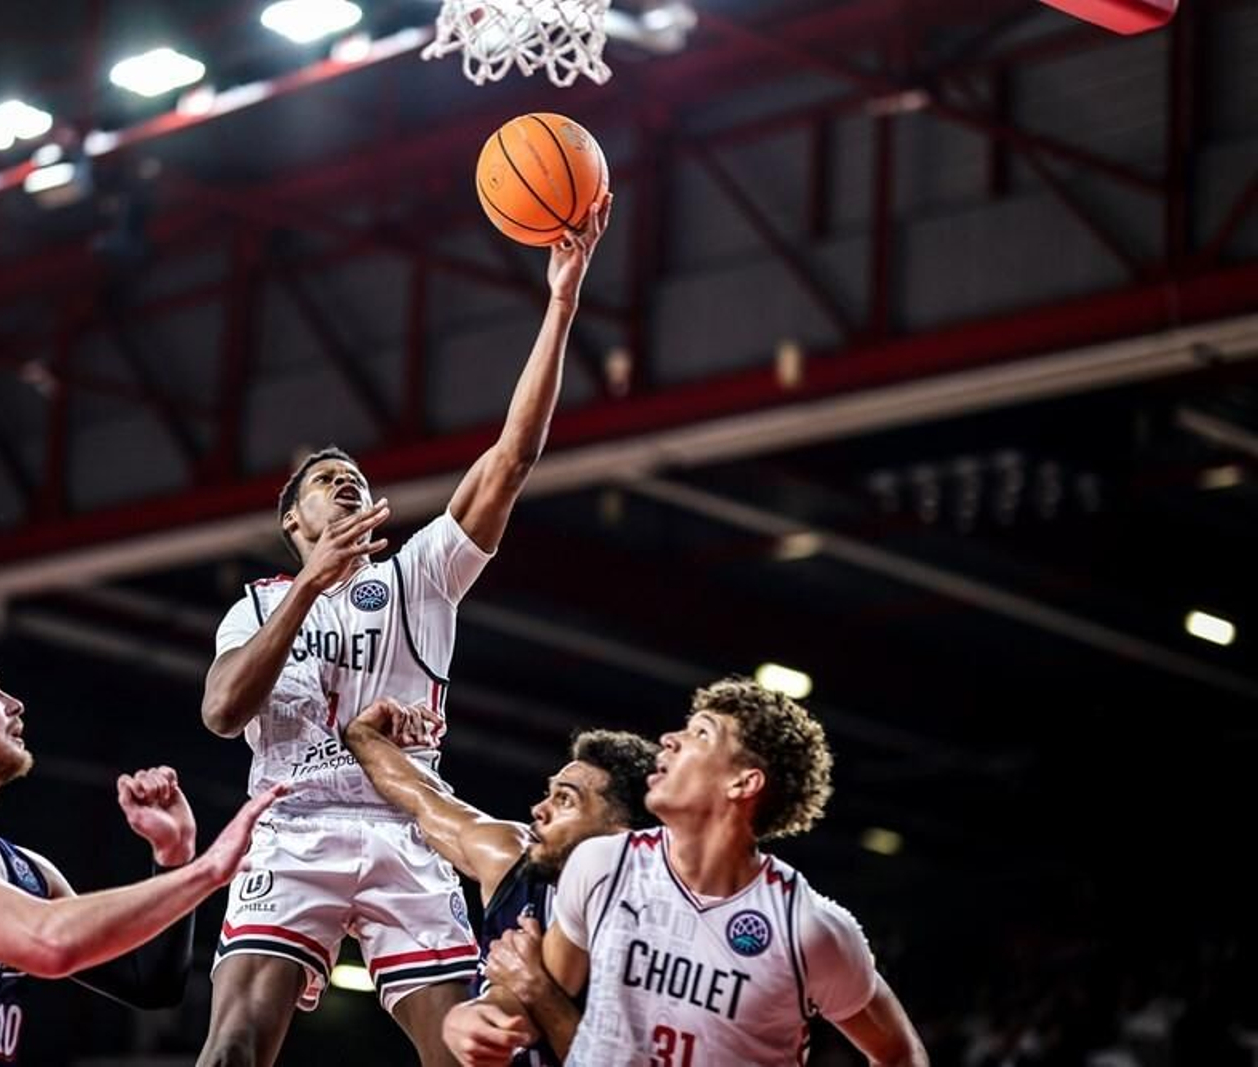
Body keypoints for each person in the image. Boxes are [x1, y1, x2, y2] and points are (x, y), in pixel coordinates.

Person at [197, 194, 613, 1067]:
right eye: (326, 480)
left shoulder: (418, 576)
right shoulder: (264, 601)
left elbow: (512, 457)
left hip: (404, 825)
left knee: (468, 1051)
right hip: (293, 824)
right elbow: (223, 713)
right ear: (293, 520)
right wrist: (311, 588)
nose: (346, 483)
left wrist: (562, 302)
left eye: (355, 477)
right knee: (236, 1043)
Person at [0, 621, 284, 1066]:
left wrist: (173, 855)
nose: (15, 704)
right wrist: (205, 871)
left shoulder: (27, 871)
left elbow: (151, 984)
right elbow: (50, 943)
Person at [442, 678, 929, 1067]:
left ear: (743, 782)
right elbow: (532, 995)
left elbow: (898, 1053)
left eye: (701, 733)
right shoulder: (603, 865)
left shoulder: (809, 929)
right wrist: (478, 1016)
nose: (670, 740)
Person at [344, 698, 659, 1065]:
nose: (539, 810)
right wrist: (361, 734)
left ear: (620, 838)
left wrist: (538, 992)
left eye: (565, 800)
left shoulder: (656, 932)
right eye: (549, 794)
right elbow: (422, 799)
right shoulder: (511, 856)